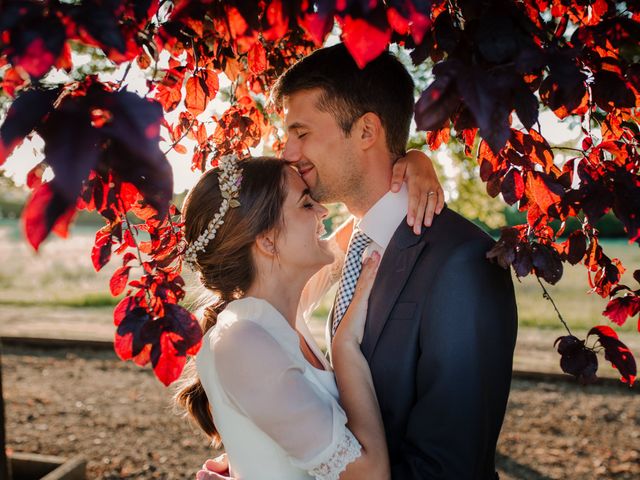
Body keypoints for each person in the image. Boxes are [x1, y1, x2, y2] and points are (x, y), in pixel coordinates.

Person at [197, 44, 518, 479]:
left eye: (301, 132)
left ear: (367, 131)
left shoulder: (461, 263)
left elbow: (449, 468)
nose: (288, 152)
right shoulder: (344, 250)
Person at [178, 152, 442, 480]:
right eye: (306, 204)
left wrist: (415, 164)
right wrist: (346, 349)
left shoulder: (276, 312)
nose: (323, 210)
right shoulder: (241, 341)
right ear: (268, 241)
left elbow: (362, 230)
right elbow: (370, 475)